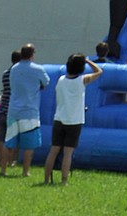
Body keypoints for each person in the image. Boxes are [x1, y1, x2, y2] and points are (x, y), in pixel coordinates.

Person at [43, 54, 103, 184]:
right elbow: (99, 72)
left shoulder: (61, 79)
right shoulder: (82, 80)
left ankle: (46, 179)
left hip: (59, 119)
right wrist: (88, 61)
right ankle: (64, 180)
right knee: (68, 153)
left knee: (53, 151)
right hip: (74, 121)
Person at [1, 42, 50, 177]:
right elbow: (46, 82)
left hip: (13, 111)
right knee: (29, 145)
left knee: (8, 143)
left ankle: (3, 170)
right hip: (30, 112)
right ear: (32, 54)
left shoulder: (14, 69)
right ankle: (25, 171)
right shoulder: (38, 69)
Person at [0, 49, 21, 164]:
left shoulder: (5, 73)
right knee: (13, 138)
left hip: (3, 108)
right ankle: (10, 161)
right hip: (14, 110)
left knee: (1, 138)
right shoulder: (19, 74)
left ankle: (1, 160)